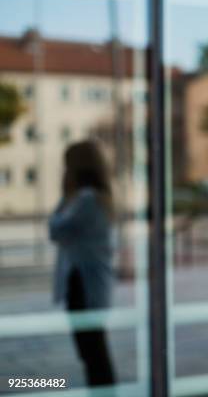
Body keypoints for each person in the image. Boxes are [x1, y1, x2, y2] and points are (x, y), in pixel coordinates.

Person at [49, 140, 116, 386]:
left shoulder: (86, 199)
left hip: (83, 285)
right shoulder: (95, 198)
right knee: (93, 351)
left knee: (93, 353)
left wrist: (65, 195)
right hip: (88, 283)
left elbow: (56, 230)